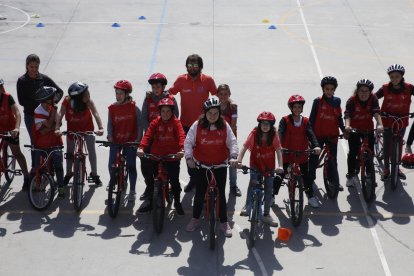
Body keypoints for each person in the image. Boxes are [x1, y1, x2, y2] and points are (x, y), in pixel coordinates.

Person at [184, 97, 238, 237]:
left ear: (219, 113)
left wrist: (233, 157)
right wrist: (189, 157)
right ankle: (195, 219)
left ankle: (224, 223)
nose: (213, 116)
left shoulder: (224, 125)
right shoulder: (197, 125)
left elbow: (232, 142)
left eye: (216, 113)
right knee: (199, 194)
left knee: (221, 194)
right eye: (210, 113)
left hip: (220, 165)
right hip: (202, 165)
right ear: (205, 113)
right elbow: (188, 142)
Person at [168, 54, 217, 193]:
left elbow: (218, 95)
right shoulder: (181, 80)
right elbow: (170, 93)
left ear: (200, 67)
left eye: (195, 65)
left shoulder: (208, 80)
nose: (192, 68)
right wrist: (155, 94)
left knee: (203, 152)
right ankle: (194, 179)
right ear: (186, 67)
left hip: (204, 125)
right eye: (189, 65)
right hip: (186, 125)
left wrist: (230, 103)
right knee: (189, 154)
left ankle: (203, 179)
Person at [137, 98, 186, 214]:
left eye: (168, 111)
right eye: (163, 111)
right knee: (150, 179)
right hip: (156, 155)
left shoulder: (176, 122)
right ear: (159, 112)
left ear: (172, 112)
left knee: (174, 180)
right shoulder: (155, 122)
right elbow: (147, 135)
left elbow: (181, 136)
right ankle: (151, 201)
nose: (165, 114)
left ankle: (177, 203)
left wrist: (182, 149)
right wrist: (141, 147)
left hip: (172, 156)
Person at [273, 95, 321, 208]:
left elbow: (311, 134)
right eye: (295, 107)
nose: (297, 109)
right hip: (287, 153)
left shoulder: (305, 121)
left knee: (306, 176)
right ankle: (271, 195)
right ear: (291, 108)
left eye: (299, 107)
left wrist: (316, 146)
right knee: (281, 174)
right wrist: (279, 146)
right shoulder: (285, 120)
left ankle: (310, 196)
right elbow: (280, 132)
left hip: (302, 153)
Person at [237, 111, 283, 226]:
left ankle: (266, 214)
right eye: (263, 123)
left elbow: (278, 150)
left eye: (268, 124)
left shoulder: (274, 134)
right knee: (252, 184)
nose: (265, 126)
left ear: (272, 125)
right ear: (259, 124)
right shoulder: (254, 133)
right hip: (255, 164)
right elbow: (244, 147)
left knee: (268, 190)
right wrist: (239, 160)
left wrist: (280, 165)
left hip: (269, 167)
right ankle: (248, 207)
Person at [16, 54, 63, 166]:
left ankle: (49, 167)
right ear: (27, 66)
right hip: (31, 116)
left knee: (49, 141)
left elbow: (59, 91)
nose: (34, 70)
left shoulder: (43, 78)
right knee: (35, 142)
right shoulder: (22, 81)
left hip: (47, 115)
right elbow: (22, 101)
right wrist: (40, 103)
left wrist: (53, 101)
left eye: (36, 67)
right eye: (31, 67)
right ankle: (35, 169)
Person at [55, 82, 104, 186]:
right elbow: (60, 113)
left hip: (87, 129)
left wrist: (100, 128)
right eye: (85, 95)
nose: (88, 96)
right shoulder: (67, 101)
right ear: (77, 98)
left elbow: (95, 113)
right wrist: (57, 128)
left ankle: (94, 174)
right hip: (72, 129)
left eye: (88, 93)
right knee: (69, 152)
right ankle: (68, 173)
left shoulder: (88, 102)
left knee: (91, 150)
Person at [139, 73, 179, 201]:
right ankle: (150, 187)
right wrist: (152, 131)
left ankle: (172, 186)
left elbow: (175, 117)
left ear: (163, 87)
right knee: (145, 163)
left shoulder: (171, 99)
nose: (155, 90)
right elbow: (143, 118)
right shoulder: (148, 99)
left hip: (167, 137)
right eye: (153, 87)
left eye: (158, 87)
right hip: (152, 136)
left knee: (170, 164)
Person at [375, 64, 414, 180]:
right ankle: (386, 169)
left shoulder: (409, 87)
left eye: (397, 76)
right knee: (387, 145)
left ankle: (397, 168)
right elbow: (374, 98)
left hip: (402, 120)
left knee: (399, 144)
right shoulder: (385, 88)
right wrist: (374, 110)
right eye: (392, 77)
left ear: (402, 76)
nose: (394, 79)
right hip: (387, 119)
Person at [309, 76, 346, 192]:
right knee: (314, 158)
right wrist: (310, 136)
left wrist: (344, 130)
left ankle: (333, 180)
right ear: (323, 89)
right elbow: (311, 119)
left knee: (333, 160)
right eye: (327, 89)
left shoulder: (337, 101)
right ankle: (310, 178)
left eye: (331, 89)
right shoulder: (317, 101)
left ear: (334, 89)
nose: (329, 91)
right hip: (318, 135)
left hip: (332, 135)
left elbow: (339, 118)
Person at [107, 80, 143, 202]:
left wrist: (138, 140)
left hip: (130, 141)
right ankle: (113, 181)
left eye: (121, 94)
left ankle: (132, 190)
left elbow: (140, 125)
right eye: (117, 93)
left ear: (127, 94)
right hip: (116, 141)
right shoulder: (112, 108)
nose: (118, 96)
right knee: (112, 163)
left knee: (131, 166)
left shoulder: (134, 108)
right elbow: (110, 124)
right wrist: (110, 136)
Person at [344, 79, 383, 185]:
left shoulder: (373, 98)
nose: (364, 93)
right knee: (353, 153)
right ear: (357, 91)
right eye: (361, 90)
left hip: (368, 129)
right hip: (354, 130)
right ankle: (350, 175)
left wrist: (379, 124)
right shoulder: (351, 100)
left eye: (367, 91)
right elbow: (348, 115)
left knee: (370, 153)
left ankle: (370, 175)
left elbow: (376, 112)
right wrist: (347, 125)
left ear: (370, 92)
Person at [32, 86, 65, 197]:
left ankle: (61, 188)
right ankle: (34, 183)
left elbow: (59, 122)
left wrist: (55, 126)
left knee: (58, 165)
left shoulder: (51, 106)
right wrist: (54, 126)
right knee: (38, 167)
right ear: (46, 99)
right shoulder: (38, 111)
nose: (55, 99)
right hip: (41, 144)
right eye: (53, 97)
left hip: (55, 142)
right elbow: (50, 125)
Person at [0, 79, 30, 189]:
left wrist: (16, 128)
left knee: (17, 153)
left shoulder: (7, 98)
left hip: (10, 130)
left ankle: (26, 177)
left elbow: (17, 113)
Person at [217, 84, 241, 197]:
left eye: (226, 94)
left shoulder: (233, 107)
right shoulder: (214, 106)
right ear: (217, 95)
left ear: (229, 94)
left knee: (233, 164)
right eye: (221, 94)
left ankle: (233, 186)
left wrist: (227, 139)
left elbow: (233, 125)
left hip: (230, 139)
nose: (223, 96)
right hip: (217, 140)